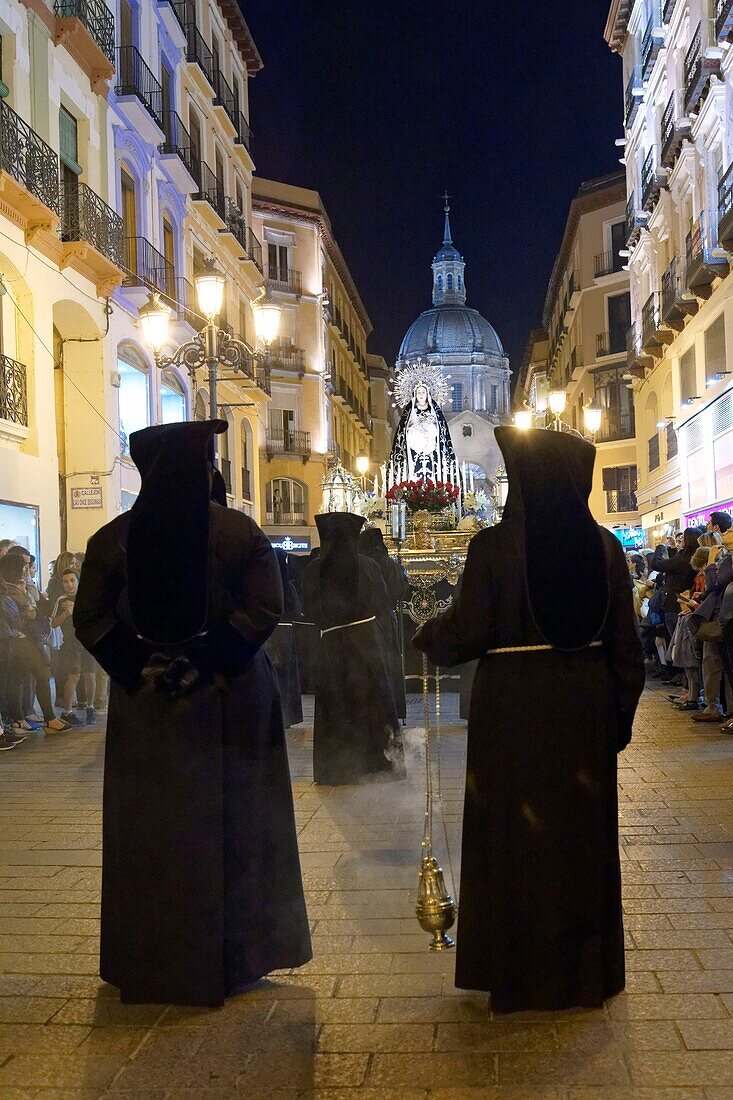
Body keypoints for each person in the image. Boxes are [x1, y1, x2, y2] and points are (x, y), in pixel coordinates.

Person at [73, 420, 311, 1006]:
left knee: (154, 833)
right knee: (240, 826)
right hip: (231, 700)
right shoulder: (240, 532)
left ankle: (154, 955)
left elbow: (90, 619)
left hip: (148, 711)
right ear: (203, 468)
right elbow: (264, 607)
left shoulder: (112, 539)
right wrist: (206, 660)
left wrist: (142, 665)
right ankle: (241, 954)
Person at [414, 427, 644, 1013]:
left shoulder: (491, 547)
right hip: (583, 715)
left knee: (512, 841)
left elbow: (465, 631)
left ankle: (515, 973)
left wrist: (426, 638)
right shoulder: (605, 548)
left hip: (509, 717)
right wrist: (612, 725)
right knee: (578, 842)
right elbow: (628, 656)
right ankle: (583, 975)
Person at [303, 512, 404, 785]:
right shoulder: (368, 566)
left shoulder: (314, 569)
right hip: (365, 643)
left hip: (331, 645)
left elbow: (310, 609)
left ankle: (335, 769)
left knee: (335, 704)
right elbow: (382, 601)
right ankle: (377, 765)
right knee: (372, 701)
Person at [0, 555, 70, 734]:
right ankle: (49, 719)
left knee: (18, 677)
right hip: (21, 639)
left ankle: (19, 720)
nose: (27, 570)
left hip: (21, 638)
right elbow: (28, 612)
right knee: (42, 672)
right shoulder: (10, 589)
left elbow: (34, 606)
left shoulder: (18, 587)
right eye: (23, 567)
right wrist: (31, 607)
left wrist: (30, 603)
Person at [358, 526, 408, 719]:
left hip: (364, 621)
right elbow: (399, 589)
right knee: (390, 662)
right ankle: (392, 707)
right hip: (386, 618)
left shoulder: (362, 563)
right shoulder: (389, 563)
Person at [650, 529, 699, 684]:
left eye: (682, 538)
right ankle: (685, 682)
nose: (680, 541)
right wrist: (671, 548)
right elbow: (672, 565)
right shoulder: (690, 558)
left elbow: (657, 564)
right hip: (684, 602)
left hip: (675, 603)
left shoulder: (682, 559)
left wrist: (661, 546)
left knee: (679, 645)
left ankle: (686, 683)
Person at [51, 569, 97, 726]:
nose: (69, 584)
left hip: (88, 640)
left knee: (90, 674)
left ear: (78, 581)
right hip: (71, 643)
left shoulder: (87, 597)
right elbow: (53, 623)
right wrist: (66, 613)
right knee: (74, 676)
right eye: (66, 581)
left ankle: (90, 708)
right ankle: (67, 711)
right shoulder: (61, 600)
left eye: (72, 580)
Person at [264, 549, 303, 729]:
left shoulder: (266, 584)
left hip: (270, 635)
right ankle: (287, 716)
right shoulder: (288, 586)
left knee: (271, 677)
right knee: (286, 679)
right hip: (286, 635)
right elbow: (296, 611)